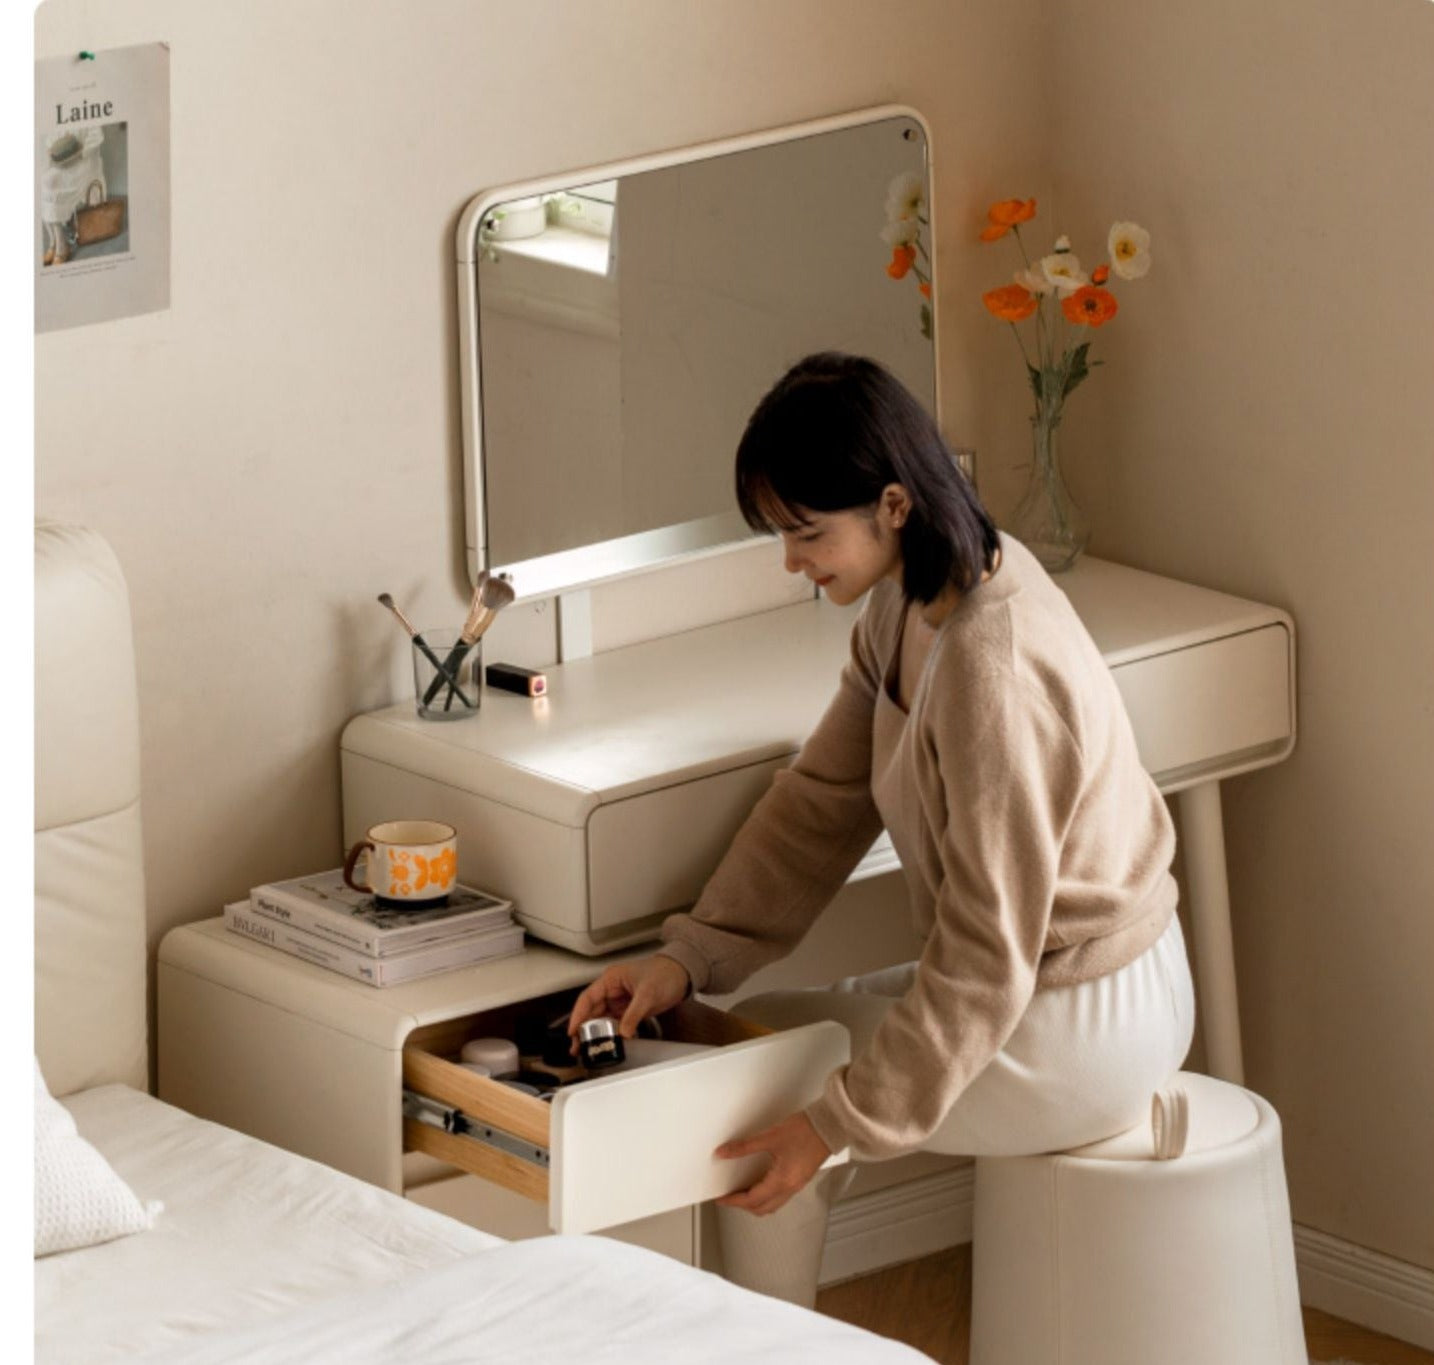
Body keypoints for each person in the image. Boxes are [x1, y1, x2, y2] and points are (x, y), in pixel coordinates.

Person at [568, 351, 1196, 1306]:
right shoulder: (912, 599)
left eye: (806, 532)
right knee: (767, 1038)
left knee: (768, 1071)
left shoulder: (994, 668)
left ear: (894, 507)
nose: (791, 560)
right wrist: (687, 959)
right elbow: (820, 802)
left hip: (1089, 1012)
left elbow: (987, 959)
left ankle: (779, 1346)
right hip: (1044, 982)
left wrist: (834, 1122)